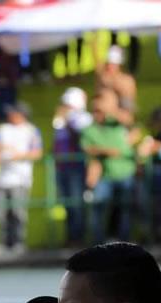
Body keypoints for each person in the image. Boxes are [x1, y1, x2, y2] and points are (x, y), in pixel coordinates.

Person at [81, 92, 138, 244]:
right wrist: (107, 151)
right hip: (105, 175)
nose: (98, 113)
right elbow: (87, 148)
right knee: (99, 208)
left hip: (125, 173)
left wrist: (110, 108)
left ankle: (124, 241)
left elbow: (130, 122)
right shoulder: (89, 129)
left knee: (125, 208)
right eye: (95, 110)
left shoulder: (114, 122)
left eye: (100, 110)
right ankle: (98, 243)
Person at [0, 103, 42, 254]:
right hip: (2, 178)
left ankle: (19, 243)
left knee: (18, 211)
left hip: (21, 178)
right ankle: (4, 243)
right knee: (1, 212)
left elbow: (37, 153)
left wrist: (17, 156)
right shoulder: (3, 129)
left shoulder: (31, 130)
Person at [53, 88, 92, 246]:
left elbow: (81, 140)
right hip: (62, 167)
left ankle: (78, 238)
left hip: (76, 167)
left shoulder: (83, 119)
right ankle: (71, 236)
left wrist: (67, 121)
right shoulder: (60, 120)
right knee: (67, 204)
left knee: (76, 203)